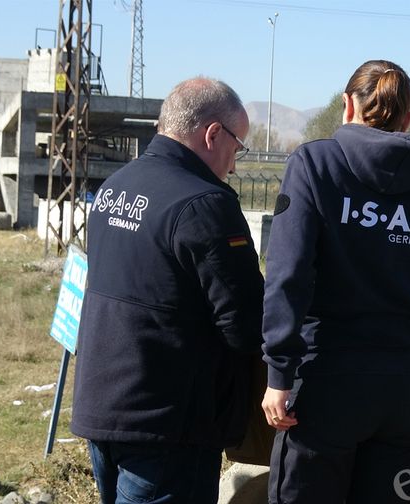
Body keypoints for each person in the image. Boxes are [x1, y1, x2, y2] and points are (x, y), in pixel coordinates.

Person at [261, 59, 410, 503]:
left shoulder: (315, 163)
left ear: (345, 105)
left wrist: (278, 373)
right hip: (407, 387)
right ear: (408, 119)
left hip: (327, 382)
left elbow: (287, 273)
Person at [70, 77, 265, 503]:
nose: (233, 165)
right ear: (214, 134)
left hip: (102, 408)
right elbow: (246, 324)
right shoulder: (205, 203)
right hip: (169, 425)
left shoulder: (113, 188)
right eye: (237, 148)